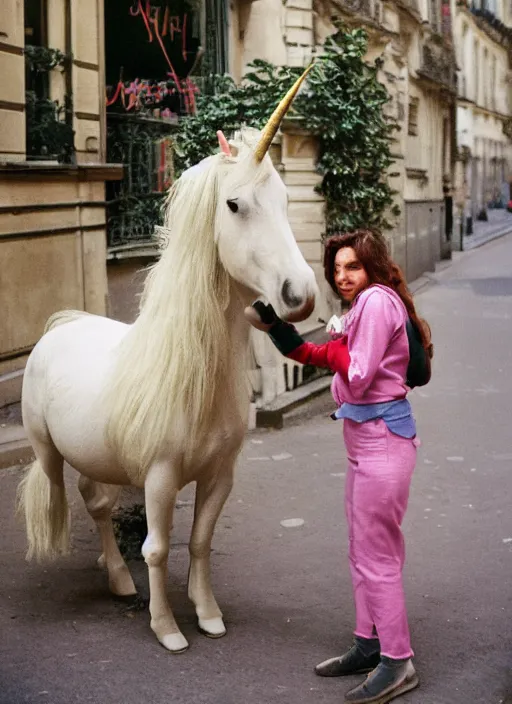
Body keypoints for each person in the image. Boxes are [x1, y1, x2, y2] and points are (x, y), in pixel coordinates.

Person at [245, 229, 433, 704]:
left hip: (383, 443)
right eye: (337, 268)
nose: (342, 276)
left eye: (352, 266)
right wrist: (280, 330)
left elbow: (357, 373)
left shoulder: (375, 302)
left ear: (372, 267)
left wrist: (334, 340)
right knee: (360, 550)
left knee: (377, 557)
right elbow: (316, 355)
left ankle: (398, 662)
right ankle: (369, 643)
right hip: (365, 442)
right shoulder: (361, 309)